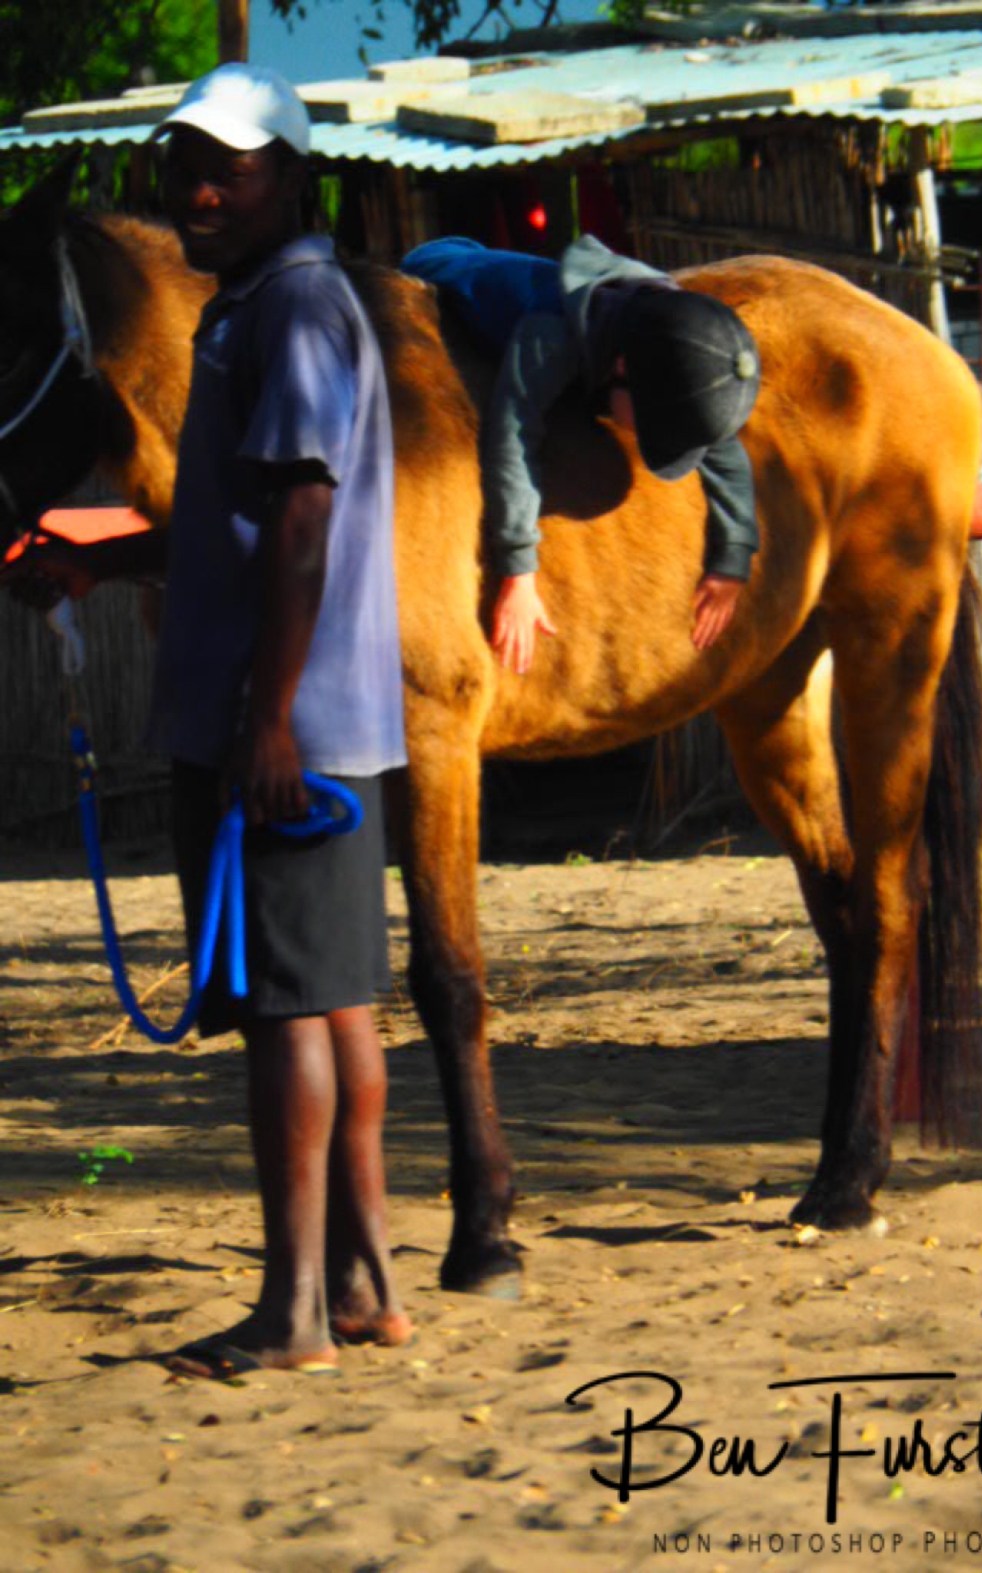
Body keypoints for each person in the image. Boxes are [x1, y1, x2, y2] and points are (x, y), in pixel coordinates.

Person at [27, 64, 412, 1376]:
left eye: (228, 166)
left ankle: (295, 1310)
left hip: (286, 720)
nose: (199, 187)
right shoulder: (260, 302)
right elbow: (239, 524)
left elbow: (306, 517)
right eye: (184, 161)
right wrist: (109, 564)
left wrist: (269, 713)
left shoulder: (296, 305)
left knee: (285, 1016)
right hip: (298, 710)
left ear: (286, 175)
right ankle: (364, 1284)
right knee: (334, 1005)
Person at [400, 234, 762, 674]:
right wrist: (518, 573)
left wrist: (732, 559)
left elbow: (722, 449)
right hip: (437, 268)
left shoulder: (670, 334)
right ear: (623, 367)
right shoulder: (549, 334)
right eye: (651, 424)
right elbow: (512, 433)